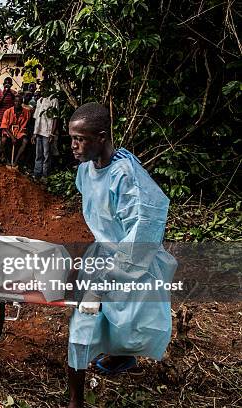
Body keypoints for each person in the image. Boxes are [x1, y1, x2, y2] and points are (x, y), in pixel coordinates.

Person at [66, 102, 176, 408]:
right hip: (104, 252)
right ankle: (76, 400)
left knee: (124, 321)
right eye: (72, 139)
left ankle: (120, 355)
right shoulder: (87, 170)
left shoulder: (127, 177)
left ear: (102, 138)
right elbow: (102, 217)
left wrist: (102, 282)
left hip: (131, 257)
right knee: (83, 324)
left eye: (81, 139)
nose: (74, 146)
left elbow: (142, 232)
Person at [0, 94, 31, 166]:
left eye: (19, 101)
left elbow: (25, 124)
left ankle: (15, 161)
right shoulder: (7, 111)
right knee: (3, 140)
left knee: (25, 141)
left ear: (22, 102)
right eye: (15, 101)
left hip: (20, 130)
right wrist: (12, 137)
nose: (17, 103)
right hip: (8, 130)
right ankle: (7, 160)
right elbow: (4, 126)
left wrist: (18, 135)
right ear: (13, 102)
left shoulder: (26, 112)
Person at [32, 90, 59, 180]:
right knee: (38, 154)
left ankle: (45, 175)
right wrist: (34, 133)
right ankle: (37, 174)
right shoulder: (39, 100)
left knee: (46, 155)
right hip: (39, 132)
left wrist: (52, 133)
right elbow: (37, 118)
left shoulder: (54, 100)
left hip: (47, 133)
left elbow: (55, 118)